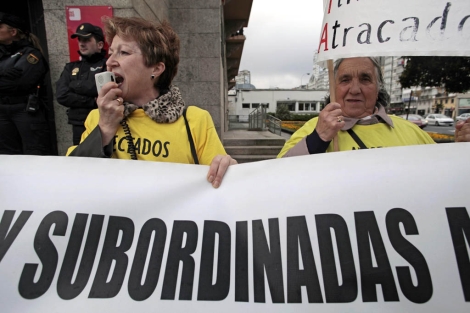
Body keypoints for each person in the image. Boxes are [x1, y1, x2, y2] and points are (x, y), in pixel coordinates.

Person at [67, 16, 237, 188]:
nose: (109, 62)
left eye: (123, 52)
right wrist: (104, 129)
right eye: (110, 53)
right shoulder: (97, 117)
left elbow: (219, 184)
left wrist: (228, 170)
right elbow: (72, 179)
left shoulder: (194, 120)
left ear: (156, 68)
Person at [278, 57, 435, 157]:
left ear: (378, 87)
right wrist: (318, 139)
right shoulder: (313, 129)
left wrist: (460, 150)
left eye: (365, 79)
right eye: (345, 80)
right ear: (333, 87)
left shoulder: (411, 132)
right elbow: (280, 175)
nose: (354, 90)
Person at [0, 12, 50, 155]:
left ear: (13, 32)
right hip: (2, 110)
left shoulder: (31, 54)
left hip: (24, 110)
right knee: (6, 155)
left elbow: (18, 84)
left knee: (34, 153)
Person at [56, 23, 107, 145]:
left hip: (103, 122)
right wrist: (92, 101)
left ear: (100, 44)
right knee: (80, 159)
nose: (82, 43)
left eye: (87, 40)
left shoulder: (108, 64)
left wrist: (74, 85)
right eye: (80, 40)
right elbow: (62, 95)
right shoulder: (71, 67)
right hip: (79, 123)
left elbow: (103, 90)